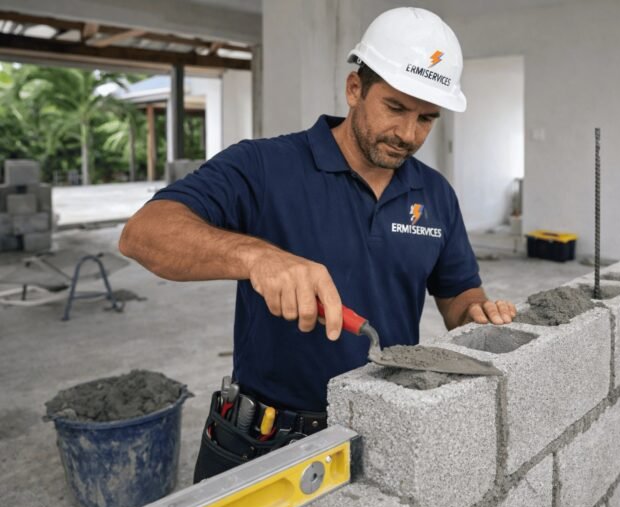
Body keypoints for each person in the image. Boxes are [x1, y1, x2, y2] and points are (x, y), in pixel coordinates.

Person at [119, 6, 516, 481]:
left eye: (426, 118)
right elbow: (143, 233)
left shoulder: (434, 194)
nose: (408, 134)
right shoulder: (266, 166)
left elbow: (457, 295)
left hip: (384, 429)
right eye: (395, 108)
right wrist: (256, 256)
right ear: (355, 89)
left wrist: (479, 315)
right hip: (263, 443)